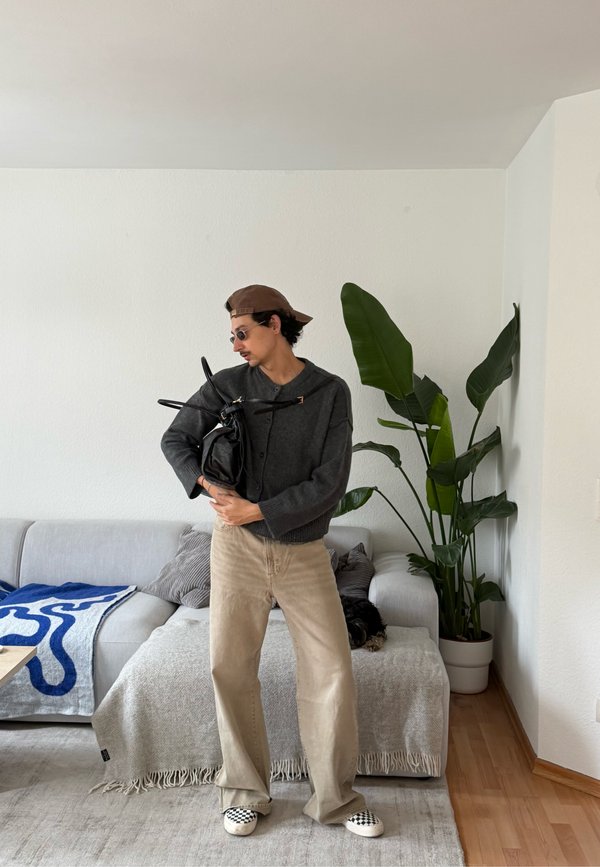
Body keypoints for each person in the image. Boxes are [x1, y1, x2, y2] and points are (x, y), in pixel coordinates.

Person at [161, 284, 384, 839]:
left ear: (275, 325)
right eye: (231, 335)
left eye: (243, 332)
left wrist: (256, 508)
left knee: (331, 668)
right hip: (234, 550)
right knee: (230, 667)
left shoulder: (330, 392)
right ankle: (244, 793)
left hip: (304, 550)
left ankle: (335, 798)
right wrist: (213, 489)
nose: (235, 344)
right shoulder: (228, 386)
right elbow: (176, 439)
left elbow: (331, 481)